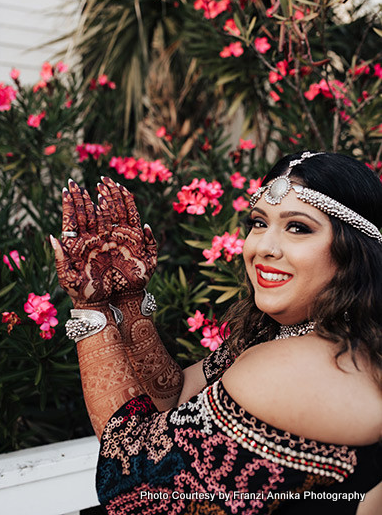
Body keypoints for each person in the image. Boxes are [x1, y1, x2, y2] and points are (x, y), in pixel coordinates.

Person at [50, 151, 382, 514]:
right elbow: (175, 398)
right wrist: (129, 301)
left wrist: (91, 306)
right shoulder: (308, 337)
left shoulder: (297, 365)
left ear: (355, 251)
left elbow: (130, 473)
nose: (263, 248)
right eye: (259, 223)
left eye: (297, 227)